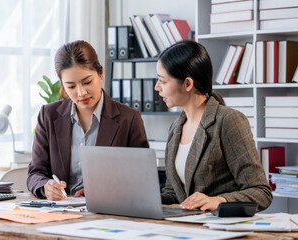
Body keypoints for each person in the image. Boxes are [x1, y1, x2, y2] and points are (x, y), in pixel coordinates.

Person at [155, 40, 272, 212]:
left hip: (222, 228)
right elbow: (175, 194)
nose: (157, 87)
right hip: (188, 228)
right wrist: (142, 197)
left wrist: (219, 200)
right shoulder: (175, 128)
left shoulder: (228, 121)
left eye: (162, 81)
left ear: (188, 84)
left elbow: (261, 192)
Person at [27, 40, 149, 200]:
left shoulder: (129, 118)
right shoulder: (48, 115)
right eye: (71, 86)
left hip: (106, 211)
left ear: (101, 73)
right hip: (59, 211)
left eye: (87, 82)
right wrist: (46, 187)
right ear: (62, 85)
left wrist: (103, 190)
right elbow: (36, 173)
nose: (81, 92)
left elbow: (142, 178)